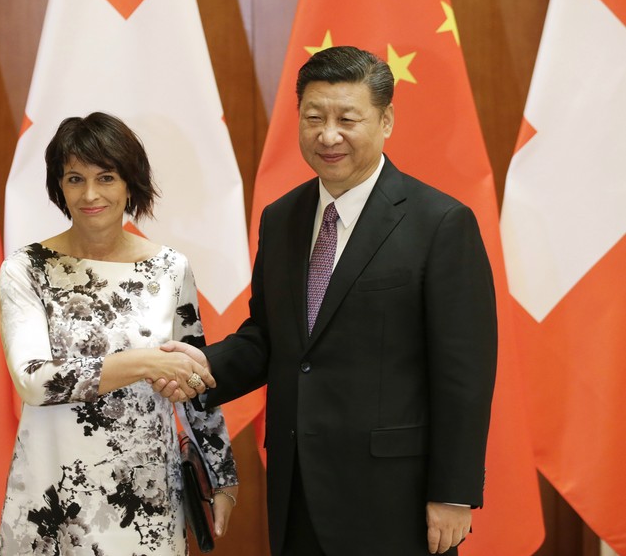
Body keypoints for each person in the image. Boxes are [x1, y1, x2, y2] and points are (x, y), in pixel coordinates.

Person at [157, 46, 497, 555]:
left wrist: (454, 493)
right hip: (297, 485)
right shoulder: (282, 217)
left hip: (394, 497)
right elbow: (270, 339)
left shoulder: (440, 223)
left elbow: (463, 372)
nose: (328, 135)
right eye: (313, 118)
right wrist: (203, 365)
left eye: (347, 118)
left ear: (386, 121)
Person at [0, 112, 239, 555]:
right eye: (75, 179)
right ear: (59, 186)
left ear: (130, 183)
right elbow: (35, 381)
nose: (90, 195)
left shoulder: (170, 269)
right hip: (54, 491)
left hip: (145, 494)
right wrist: (147, 362)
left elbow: (196, 377)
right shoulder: (26, 269)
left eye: (106, 177)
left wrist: (223, 476)